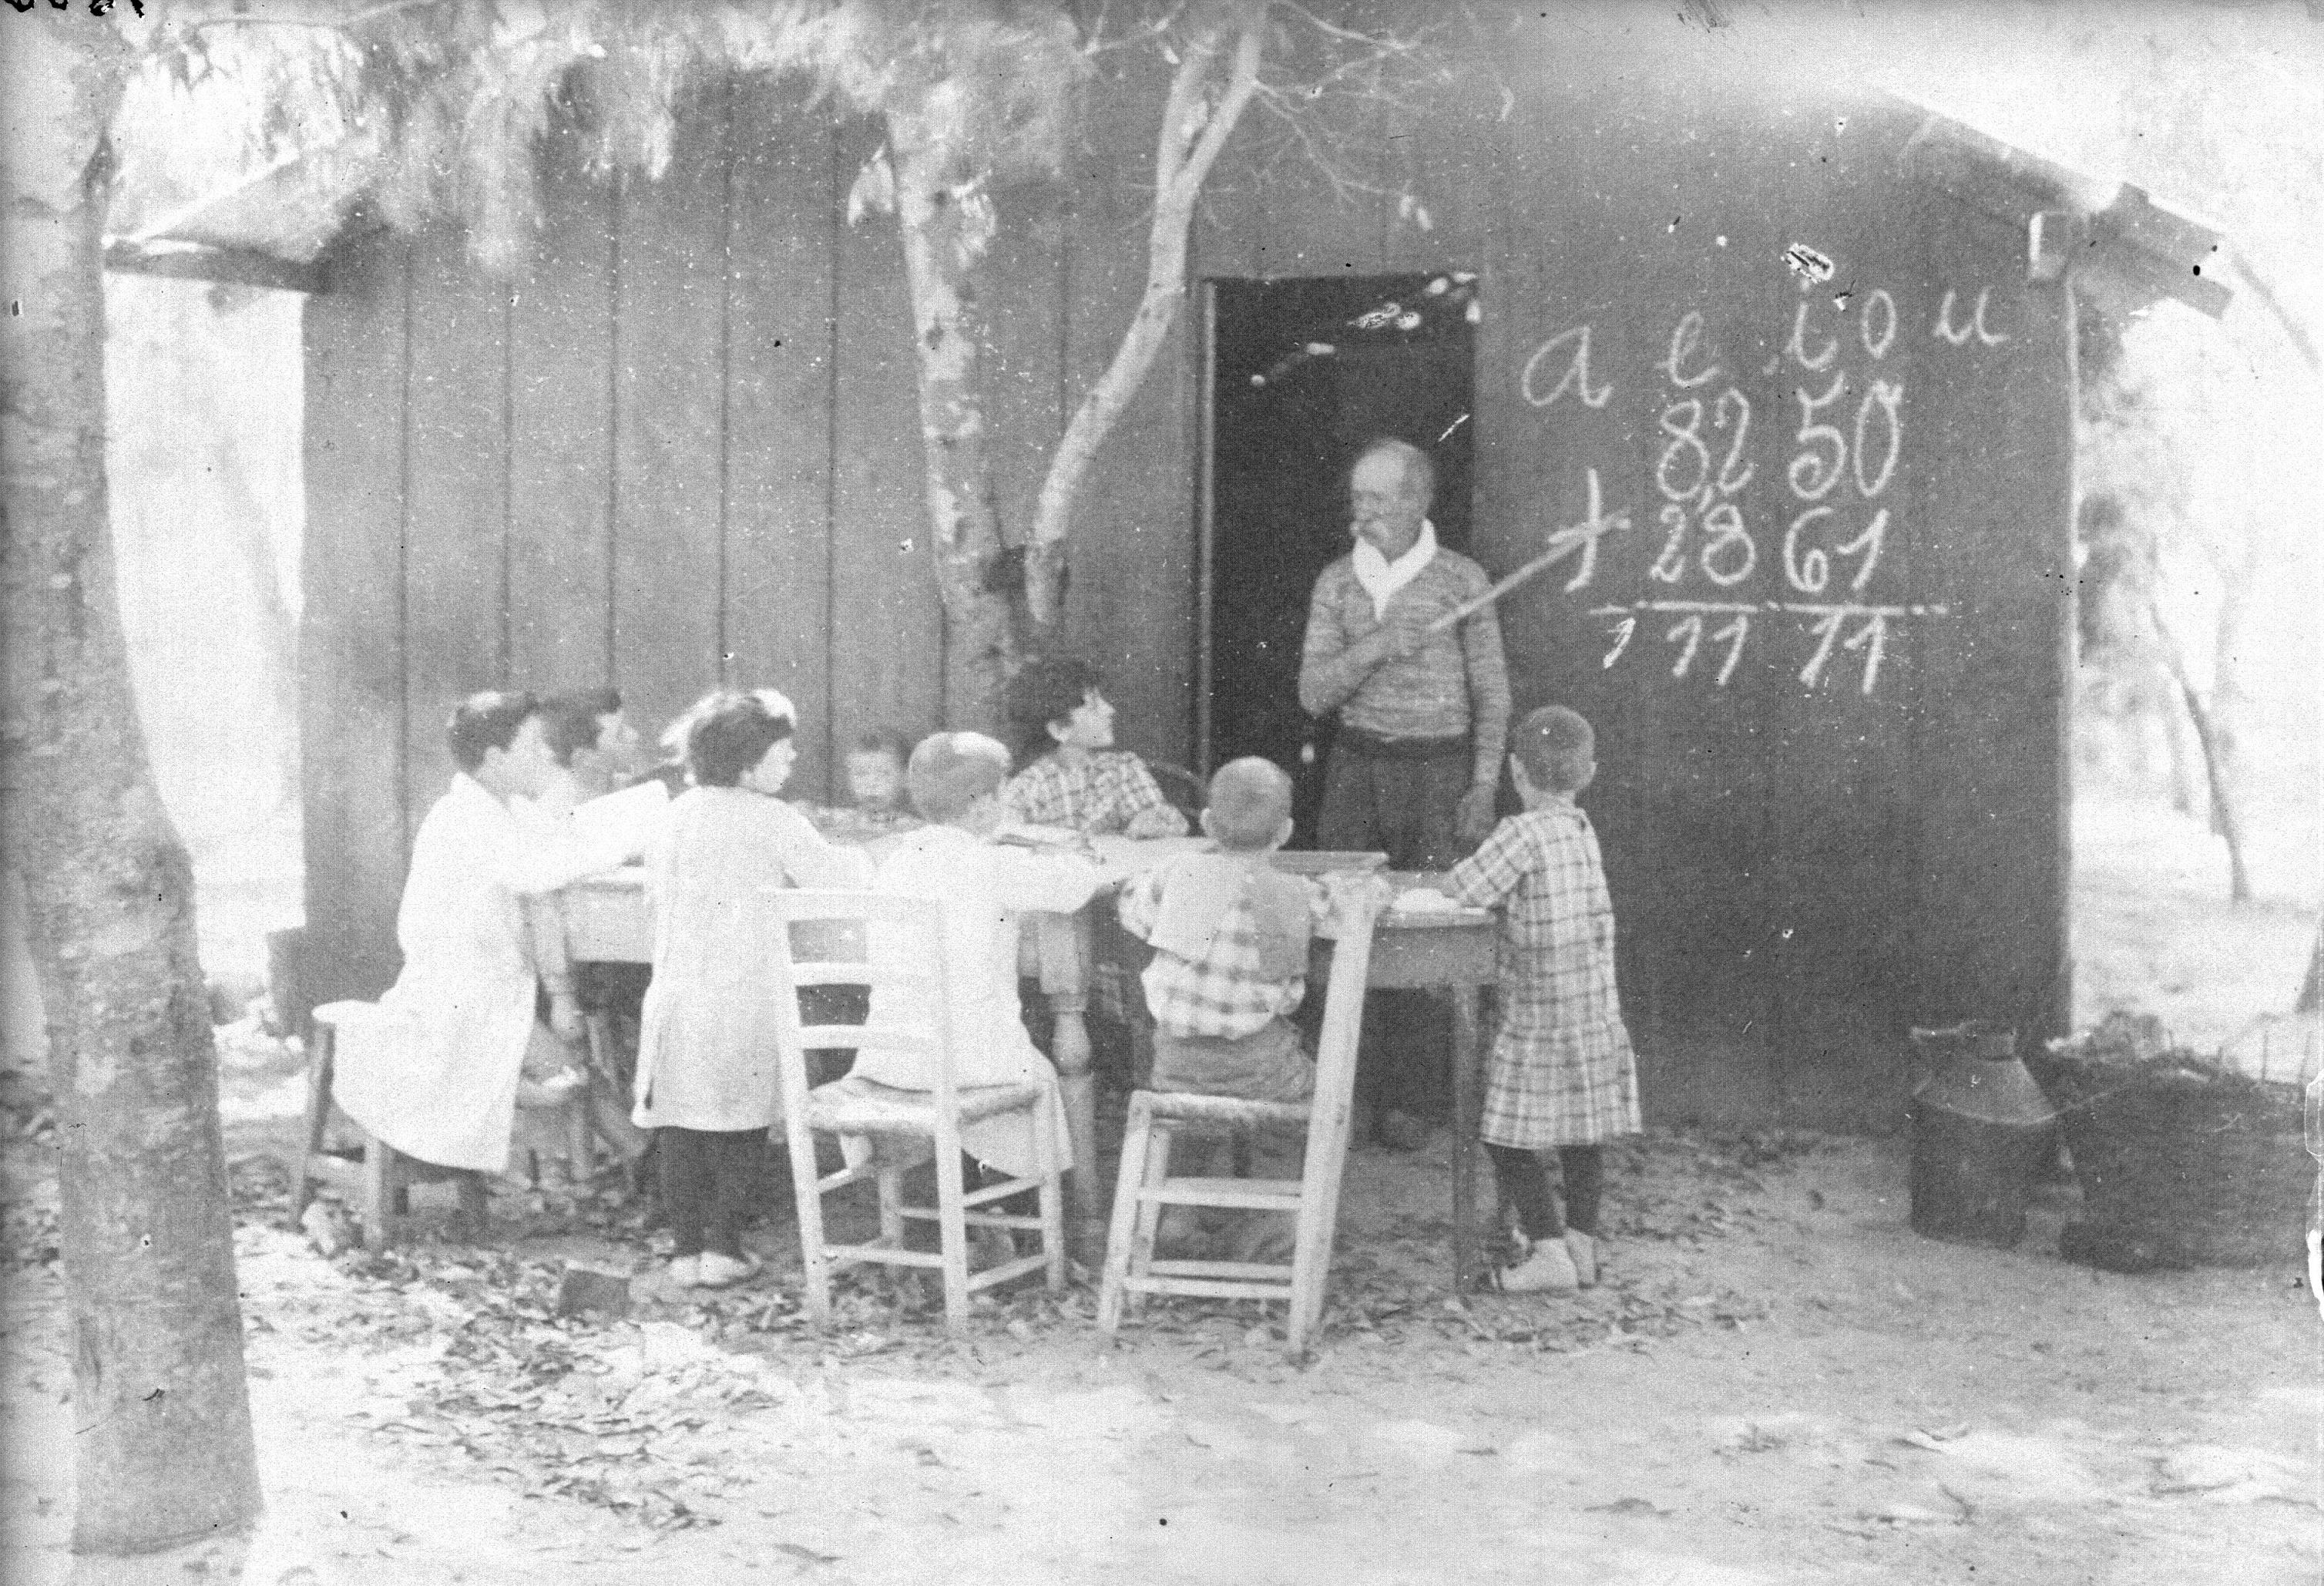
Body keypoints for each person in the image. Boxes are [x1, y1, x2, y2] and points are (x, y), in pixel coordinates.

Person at [1298, 437, 1511, 1150]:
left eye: (1381, 498)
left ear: (1420, 500)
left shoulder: (1462, 580)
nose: (1364, 512)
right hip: (1357, 774)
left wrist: (1483, 785)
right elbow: (1313, 694)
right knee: (1343, 930)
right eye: (1357, 497)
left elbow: (1493, 695)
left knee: (1429, 934)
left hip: (1440, 775)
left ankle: (1417, 1107)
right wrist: (1378, 645)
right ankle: (1351, 1101)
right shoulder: (1336, 582)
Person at [331, 691, 631, 1194]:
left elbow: (558, 842)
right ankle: (644, 1160)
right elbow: (540, 869)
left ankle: (637, 1160)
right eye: (532, 747)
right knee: (573, 1068)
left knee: (574, 1064)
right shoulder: (465, 819)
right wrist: (625, 839)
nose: (543, 756)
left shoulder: (503, 808)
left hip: (492, 984)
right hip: (459, 991)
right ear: (494, 759)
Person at [632, 691, 875, 1289]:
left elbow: (652, 894)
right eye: (783, 754)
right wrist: (867, 860)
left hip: (676, 995)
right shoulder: (773, 819)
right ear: (747, 764)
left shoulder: (673, 814)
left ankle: (686, 1252)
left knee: (681, 1124)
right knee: (740, 1123)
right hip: (741, 997)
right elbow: (836, 879)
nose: (791, 763)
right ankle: (724, 1246)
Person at [1115, 758, 1389, 1262]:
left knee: (1188, 1121)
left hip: (1176, 1066)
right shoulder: (1297, 894)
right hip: (1261, 1068)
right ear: (1285, 832)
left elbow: (1131, 906)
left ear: (1205, 824)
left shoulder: (1175, 875)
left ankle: (1177, 1217)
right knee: (1316, 1103)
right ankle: (1274, 1225)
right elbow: (1347, 911)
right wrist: (1363, 888)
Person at [850, 733, 1104, 1187]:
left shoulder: (896, 859)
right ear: (987, 804)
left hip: (887, 1061)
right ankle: (1017, 1203)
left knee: (996, 1050)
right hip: (967, 1067)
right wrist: (1080, 856)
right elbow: (1074, 887)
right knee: (1041, 1072)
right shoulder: (992, 863)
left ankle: (950, 1197)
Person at [1446, 705, 1640, 1294]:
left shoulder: (1520, 833)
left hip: (1538, 1019)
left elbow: (1464, 887)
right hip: (1593, 1017)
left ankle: (1549, 1250)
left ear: (1515, 772)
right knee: (1583, 1133)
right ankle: (1581, 1241)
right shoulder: (1583, 831)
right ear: (1590, 774)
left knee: (1503, 1136)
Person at [1000, 656, 1190, 840]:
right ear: (1059, 729)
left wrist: (1156, 821)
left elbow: (1167, 822)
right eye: (1093, 706)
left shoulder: (1122, 769)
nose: (1110, 710)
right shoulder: (1027, 788)